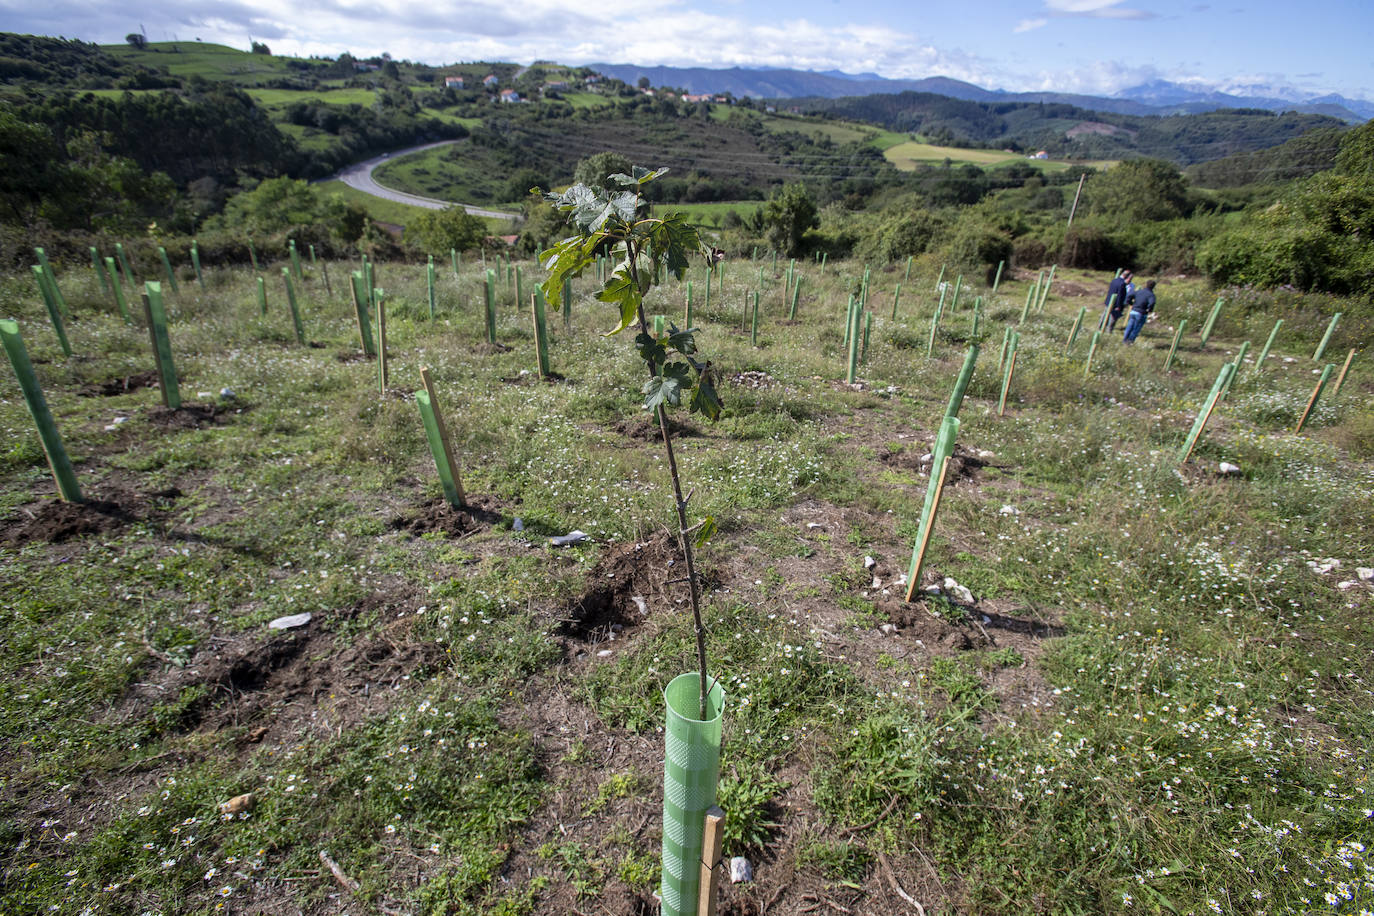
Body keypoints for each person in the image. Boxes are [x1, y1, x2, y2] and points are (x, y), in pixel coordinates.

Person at [1122, 279, 1156, 344]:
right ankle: (1130, 341)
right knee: (1136, 328)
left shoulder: (1139, 291)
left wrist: (1130, 303)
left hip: (1133, 311)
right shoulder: (1151, 295)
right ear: (1153, 287)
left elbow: (1129, 295)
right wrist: (1149, 309)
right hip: (1141, 313)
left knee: (1129, 326)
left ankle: (1124, 339)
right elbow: (1152, 303)